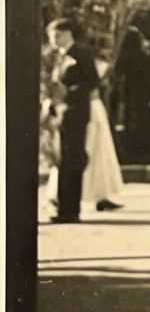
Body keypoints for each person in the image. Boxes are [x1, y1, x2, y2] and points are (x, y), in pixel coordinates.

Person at [44, 18, 100, 224]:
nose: (54, 40)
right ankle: (65, 207)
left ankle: (70, 210)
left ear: (67, 33)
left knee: (72, 159)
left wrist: (68, 95)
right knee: (63, 160)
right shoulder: (60, 56)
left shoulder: (81, 53)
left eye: (57, 35)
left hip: (75, 112)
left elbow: (93, 80)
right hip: (62, 113)